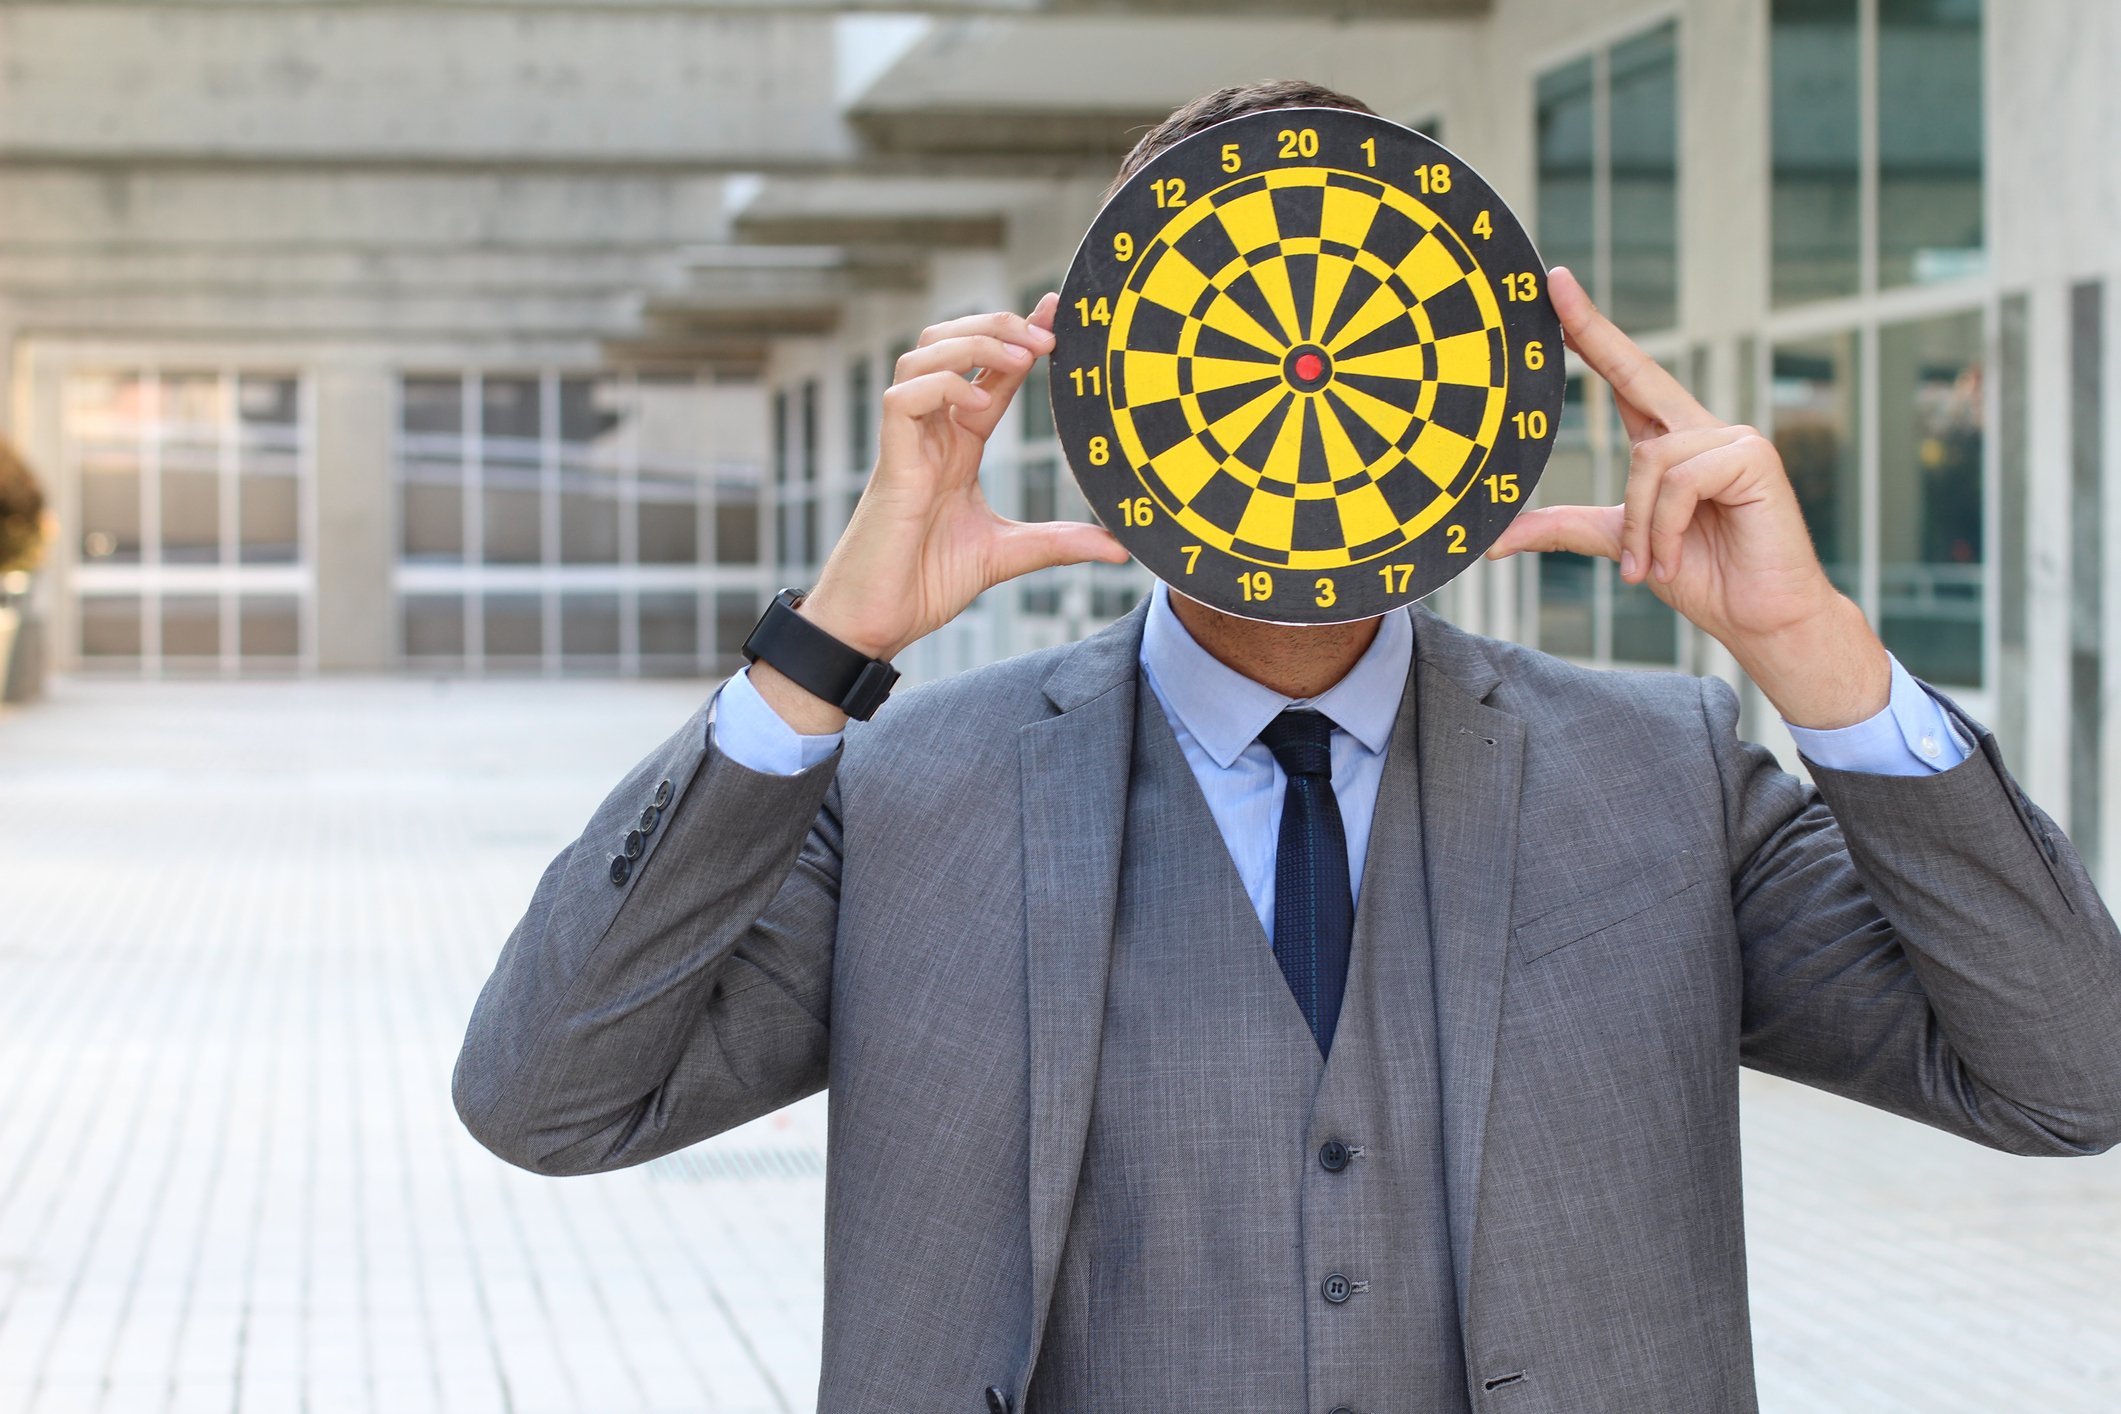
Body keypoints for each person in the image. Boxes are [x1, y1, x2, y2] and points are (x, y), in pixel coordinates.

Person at [453, 82, 2121, 1414]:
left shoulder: (1661, 776)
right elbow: (546, 1098)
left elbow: (2071, 1077)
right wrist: (818, 657)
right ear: (1114, 382)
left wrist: (1811, 652)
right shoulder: (913, 797)